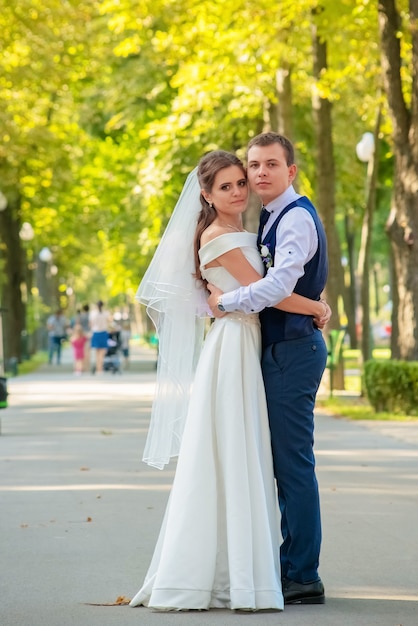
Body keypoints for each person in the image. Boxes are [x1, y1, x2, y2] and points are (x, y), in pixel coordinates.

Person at [129, 151, 330, 612]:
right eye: (227, 186)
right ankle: (251, 569)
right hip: (238, 343)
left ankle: (267, 565)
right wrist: (317, 307)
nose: (240, 190)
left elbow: (258, 290)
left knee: (251, 453)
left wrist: (229, 299)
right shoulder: (220, 236)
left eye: (242, 181)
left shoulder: (250, 229)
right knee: (239, 452)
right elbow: (270, 296)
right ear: (206, 194)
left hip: (247, 342)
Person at [207, 133, 329, 605]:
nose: (259, 173)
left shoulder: (294, 217)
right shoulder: (270, 217)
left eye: (270, 164)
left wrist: (225, 303)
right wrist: (316, 304)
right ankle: (290, 564)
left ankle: (303, 575)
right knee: (281, 463)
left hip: (292, 352)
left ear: (290, 171)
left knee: (293, 465)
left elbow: (278, 283)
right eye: (253, 165)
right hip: (279, 348)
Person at [89, 301, 110, 374]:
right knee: (102, 352)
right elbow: (109, 321)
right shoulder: (106, 313)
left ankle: (98, 368)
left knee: (97, 352)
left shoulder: (93, 313)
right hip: (103, 333)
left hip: (96, 333)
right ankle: (100, 368)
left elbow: (91, 324)